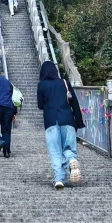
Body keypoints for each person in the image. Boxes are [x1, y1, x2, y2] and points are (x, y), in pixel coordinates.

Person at [37, 60, 84, 188]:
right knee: (68, 147)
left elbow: (40, 105)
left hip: (51, 121)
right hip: (67, 119)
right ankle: (71, 159)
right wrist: (79, 121)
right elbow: (74, 103)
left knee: (55, 150)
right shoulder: (64, 83)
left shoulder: (41, 85)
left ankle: (59, 179)